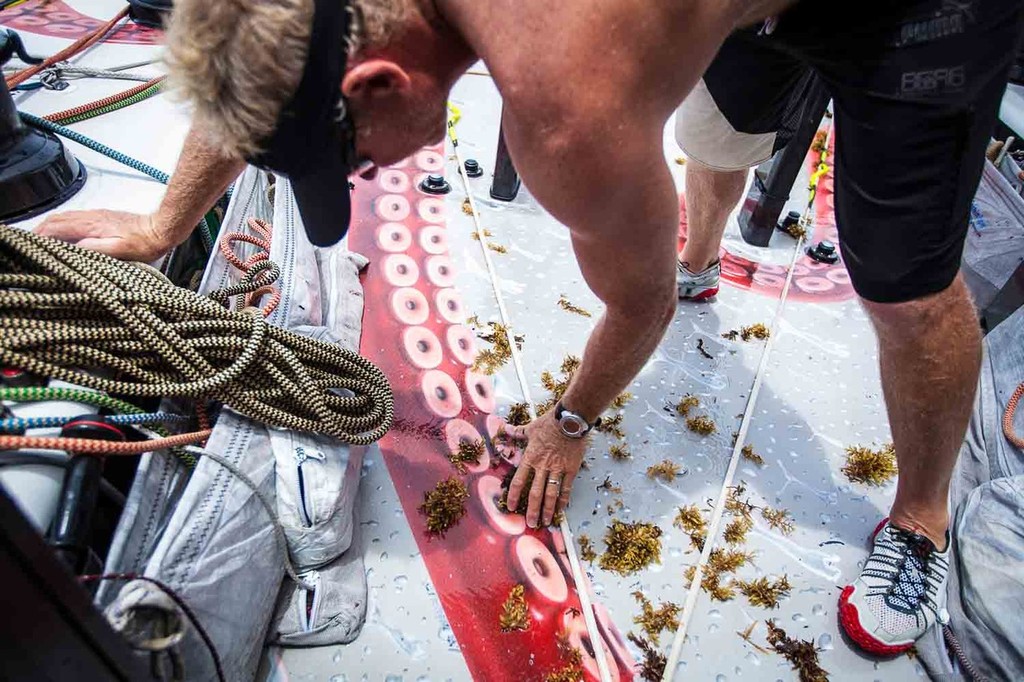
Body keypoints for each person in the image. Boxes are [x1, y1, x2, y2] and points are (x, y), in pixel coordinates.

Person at [36, 0, 1023, 657]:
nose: (366, 177)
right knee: (712, 137)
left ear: (380, 84)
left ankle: (920, 516)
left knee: (903, 283)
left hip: (912, 15)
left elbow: (627, 309)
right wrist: (166, 224)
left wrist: (568, 421)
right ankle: (702, 261)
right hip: (753, 18)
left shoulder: (566, 117)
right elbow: (259, 52)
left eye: (353, 161)